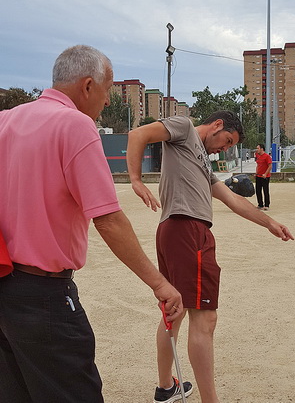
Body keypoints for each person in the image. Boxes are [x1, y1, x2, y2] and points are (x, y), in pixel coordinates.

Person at [0, 45, 183, 403]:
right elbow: (109, 220)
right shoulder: (75, 125)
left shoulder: (5, 121)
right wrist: (159, 283)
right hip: (44, 295)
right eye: (108, 89)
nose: (108, 101)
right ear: (87, 86)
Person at [127, 111, 294, 403]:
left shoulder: (201, 161)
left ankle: (166, 386)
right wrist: (135, 179)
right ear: (216, 125)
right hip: (189, 230)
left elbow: (233, 199)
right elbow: (137, 134)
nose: (225, 148)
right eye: (227, 140)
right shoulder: (184, 127)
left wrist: (270, 223)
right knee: (205, 318)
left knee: (174, 312)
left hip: (173, 230)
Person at [254, 143, 272, 210]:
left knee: (265, 190)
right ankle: (260, 204)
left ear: (262, 149)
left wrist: (265, 174)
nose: (257, 150)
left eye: (258, 148)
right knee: (258, 190)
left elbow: (270, 166)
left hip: (265, 177)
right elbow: (258, 166)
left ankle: (266, 205)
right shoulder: (258, 156)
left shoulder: (267, 156)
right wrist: (256, 173)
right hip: (259, 176)